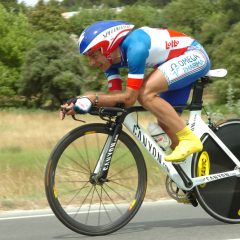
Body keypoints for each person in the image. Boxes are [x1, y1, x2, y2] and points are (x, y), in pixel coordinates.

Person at [60, 20, 211, 162]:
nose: (91, 63)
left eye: (93, 55)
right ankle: (193, 179)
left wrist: (92, 98)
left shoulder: (135, 48)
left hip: (194, 55)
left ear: (106, 47)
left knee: (144, 93)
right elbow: (116, 99)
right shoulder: (110, 62)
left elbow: (130, 98)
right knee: (166, 125)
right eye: (88, 57)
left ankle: (189, 139)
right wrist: (81, 102)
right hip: (173, 64)